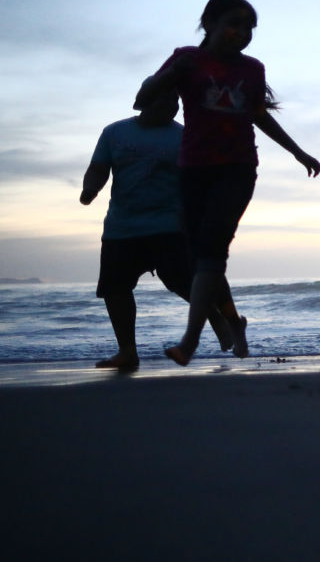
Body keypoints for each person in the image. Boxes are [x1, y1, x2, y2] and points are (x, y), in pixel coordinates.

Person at [134, 0, 320, 366]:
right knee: (200, 256)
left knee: (213, 250)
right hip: (193, 170)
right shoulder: (186, 58)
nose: (243, 33)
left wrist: (297, 151)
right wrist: (173, 74)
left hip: (237, 168)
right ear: (209, 24)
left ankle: (189, 342)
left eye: (250, 27)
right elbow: (141, 99)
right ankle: (235, 324)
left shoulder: (252, 69)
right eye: (234, 24)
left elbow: (258, 115)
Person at [80, 93, 242, 370]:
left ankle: (216, 317)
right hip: (122, 227)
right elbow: (99, 167)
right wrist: (90, 189)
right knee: (115, 288)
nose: (172, 107)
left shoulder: (185, 136)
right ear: (143, 103)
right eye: (164, 102)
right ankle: (127, 352)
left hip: (170, 226)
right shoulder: (114, 132)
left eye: (175, 104)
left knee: (181, 281)